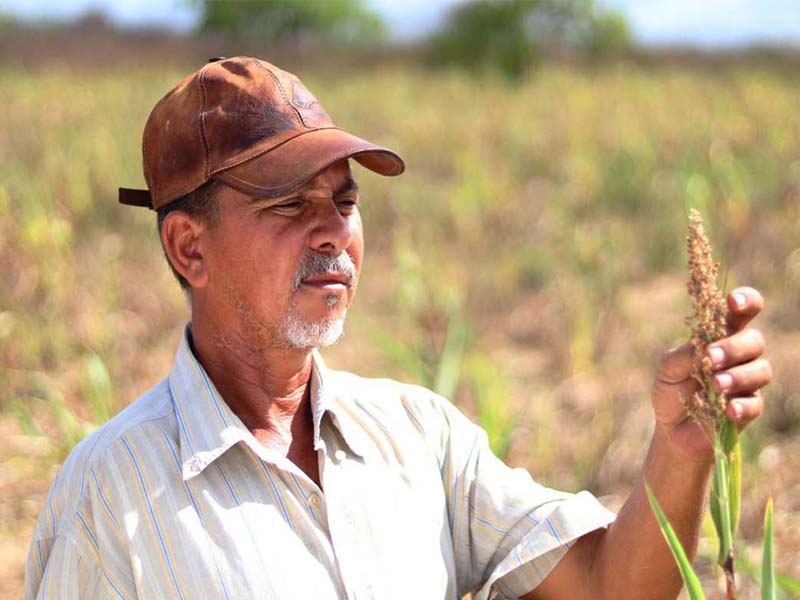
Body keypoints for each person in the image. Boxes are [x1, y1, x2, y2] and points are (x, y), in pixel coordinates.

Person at [25, 56, 771, 600]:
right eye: (289, 206)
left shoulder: (419, 436)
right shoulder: (111, 493)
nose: (332, 235)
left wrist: (682, 446)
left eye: (344, 203)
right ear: (190, 248)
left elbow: (611, 589)